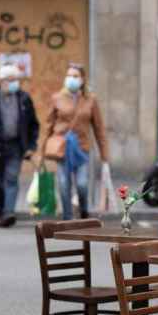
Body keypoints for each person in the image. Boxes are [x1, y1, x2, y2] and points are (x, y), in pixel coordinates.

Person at [40, 63, 109, 220]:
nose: (71, 79)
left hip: (82, 148)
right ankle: (67, 217)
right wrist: (42, 151)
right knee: (64, 185)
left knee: (82, 185)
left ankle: (84, 211)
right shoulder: (57, 98)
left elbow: (99, 128)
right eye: (69, 75)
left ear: (82, 79)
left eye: (75, 76)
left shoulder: (91, 100)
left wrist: (104, 155)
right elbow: (48, 125)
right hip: (62, 148)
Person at [0, 63, 40, 227]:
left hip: (16, 145)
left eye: (16, 80)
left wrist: (31, 146)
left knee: (11, 178)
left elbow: (34, 124)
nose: (14, 83)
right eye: (10, 80)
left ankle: (9, 212)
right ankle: (2, 212)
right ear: (2, 80)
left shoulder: (24, 98)